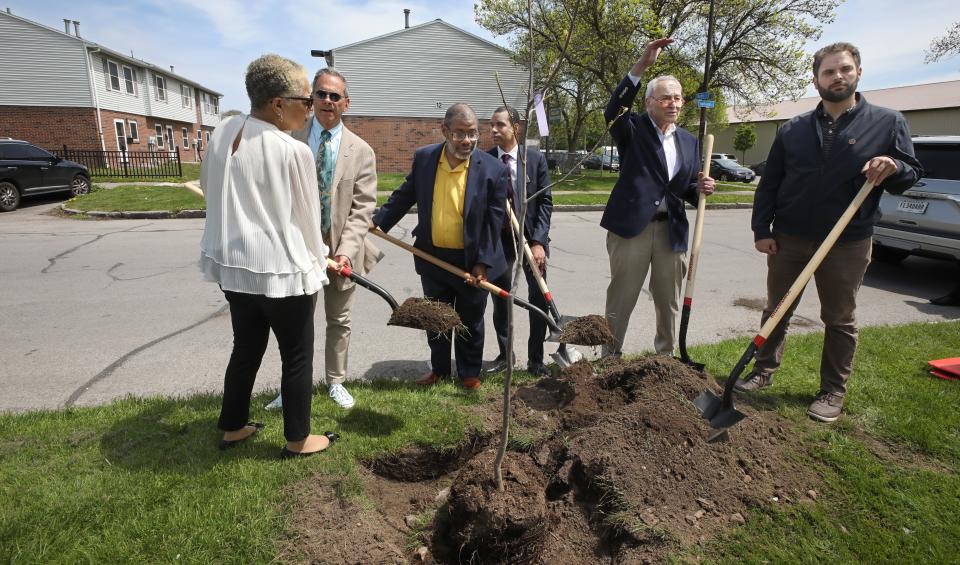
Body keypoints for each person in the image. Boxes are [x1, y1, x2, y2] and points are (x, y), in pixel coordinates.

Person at [735, 42, 924, 422]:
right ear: (816, 79)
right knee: (777, 309)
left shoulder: (888, 122)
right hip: (790, 237)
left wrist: (893, 166)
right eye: (829, 72)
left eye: (845, 69)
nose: (838, 77)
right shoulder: (793, 128)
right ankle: (762, 372)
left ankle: (832, 391)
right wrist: (762, 228)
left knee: (839, 318)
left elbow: (911, 174)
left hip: (847, 241)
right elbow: (770, 183)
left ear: (858, 73)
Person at [199, 54, 335, 458]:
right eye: (306, 102)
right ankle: (299, 439)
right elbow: (310, 222)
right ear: (279, 103)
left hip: (235, 270)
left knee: (246, 347)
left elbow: (209, 188)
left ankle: (234, 426)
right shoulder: (294, 152)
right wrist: (322, 258)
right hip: (284, 274)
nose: (310, 110)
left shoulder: (223, 133)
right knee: (297, 356)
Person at [265, 67, 382, 411]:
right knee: (296, 324)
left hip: (340, 251)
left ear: (346, 103)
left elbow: (363, 208)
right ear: (311, 99)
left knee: (339, 320)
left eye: (335, 96)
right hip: (297, 250)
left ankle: (336, 382)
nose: (328, 101)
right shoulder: (289, 138)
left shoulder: (362, 151)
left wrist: (346, 252)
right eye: (321, 94)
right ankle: (292, 388)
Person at [373, 103, 508, 390]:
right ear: (444, 130)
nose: (467, 140)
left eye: (472, 133)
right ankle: (439, 370)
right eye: (459, 133)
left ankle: (469, 373)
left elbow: (494, 221)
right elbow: (404, 195)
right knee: (436, 318)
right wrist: (379, 222)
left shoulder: (493, 169)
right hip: (432, 256)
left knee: (470, 319)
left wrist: (482, 264)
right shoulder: (425, 159)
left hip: (471, 260)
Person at [601, 38, 715, 358]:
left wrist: (700, 189)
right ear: (649, 101)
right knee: (622, 298)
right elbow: (613, 109)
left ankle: (665, 359)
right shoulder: (632, 128)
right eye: (666, 98)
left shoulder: (689, 142)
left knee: (668, 299)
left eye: (678, 98)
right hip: (632, 229)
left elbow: (681, 188)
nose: (674, 104)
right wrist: (642, 66)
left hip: (671, 231)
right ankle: (610, 357)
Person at [484, 105, 553, 376]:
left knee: (539, 297)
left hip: (530, 236)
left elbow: (545, 203)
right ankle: (505, 356)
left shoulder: (534, 160)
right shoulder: (485, 160)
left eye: (500, 125)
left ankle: (536, 359)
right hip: (499, 238)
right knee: (500, 298)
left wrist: (538, 241)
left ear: (516, 127)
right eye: (492, 124)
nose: (493, 130)